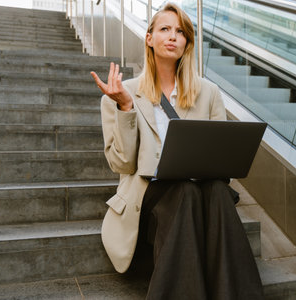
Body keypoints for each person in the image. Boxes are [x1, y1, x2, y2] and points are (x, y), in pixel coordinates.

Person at [91, 3, 263, 299]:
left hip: (198, 194)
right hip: (149, 197)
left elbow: (221, 161)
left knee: (219, 192)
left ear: (187, 43)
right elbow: (121, 164)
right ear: (149, 38)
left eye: (181, 32)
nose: (173, 36)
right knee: (183, 190)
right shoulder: (122, 94)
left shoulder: (208, 93)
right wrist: (126, 108)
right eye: (165, 29)